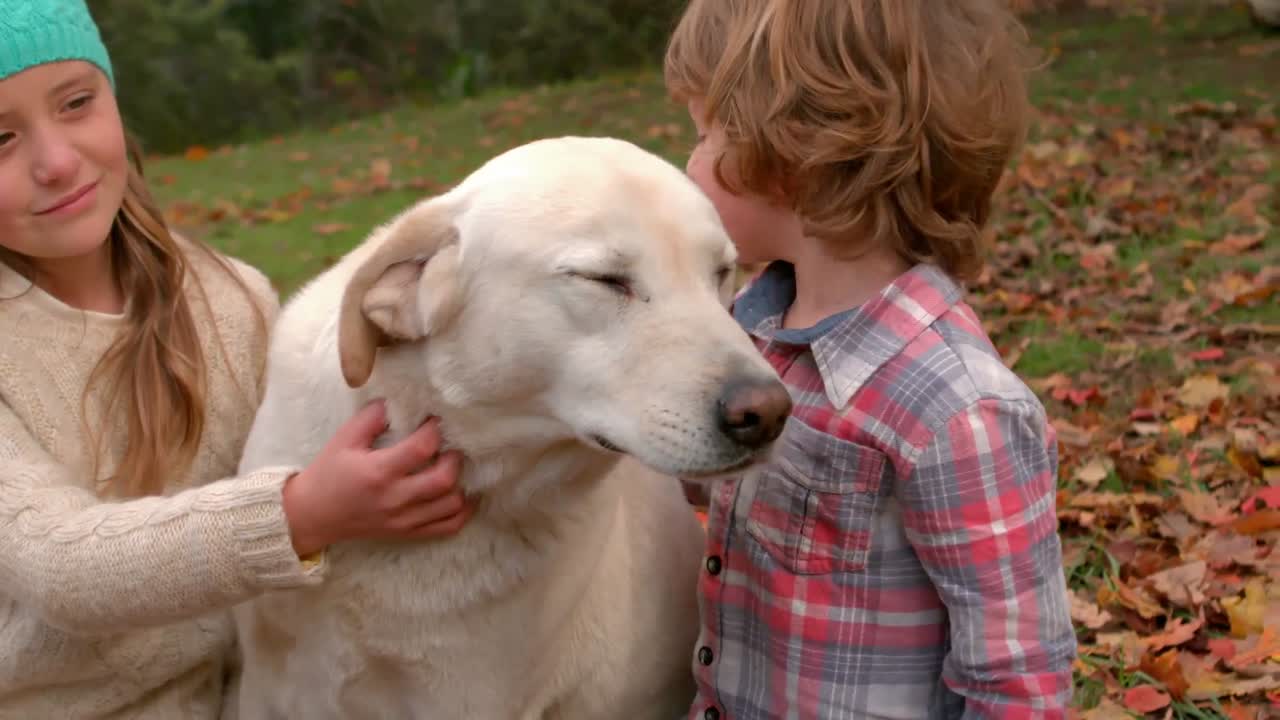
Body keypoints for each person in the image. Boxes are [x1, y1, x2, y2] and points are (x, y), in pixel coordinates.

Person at [0, 1, 472, 716]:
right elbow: (64, 568)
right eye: (0, 138)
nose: (58, 162)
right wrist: (301, 512)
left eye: (76, 102)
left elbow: (322, 438)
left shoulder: (233, 300)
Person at [663, 1, 1077, 718]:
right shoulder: (751, 332)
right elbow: (691, 482)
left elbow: (1017, 683)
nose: (686, 165)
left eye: (704, 135)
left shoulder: (956, 411)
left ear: (792, 155)